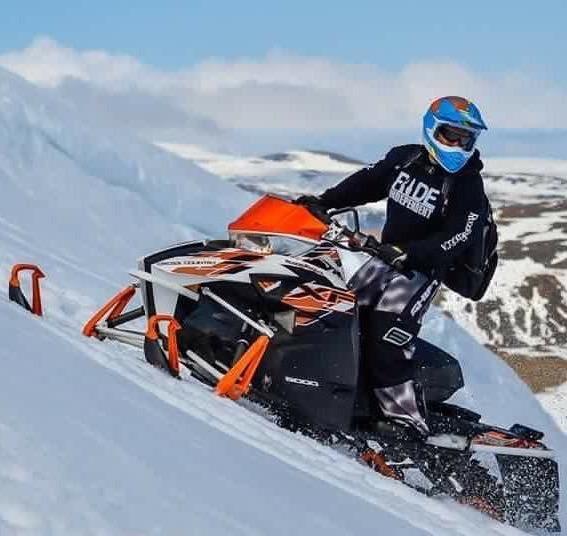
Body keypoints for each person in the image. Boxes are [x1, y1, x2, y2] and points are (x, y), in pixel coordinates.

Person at [296, 96, 490, 436]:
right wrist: (324, 202)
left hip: (420, 273)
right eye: (452, 135)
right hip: (383, 257)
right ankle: (326, 384)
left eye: (466, 139)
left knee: (388, 337)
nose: (459, 145)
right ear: (432, 129)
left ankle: (404, 421)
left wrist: (410, 254)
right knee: (332, 305)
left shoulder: (468, 184)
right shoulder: (406, 158)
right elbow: (367, 182)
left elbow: (460, 235)